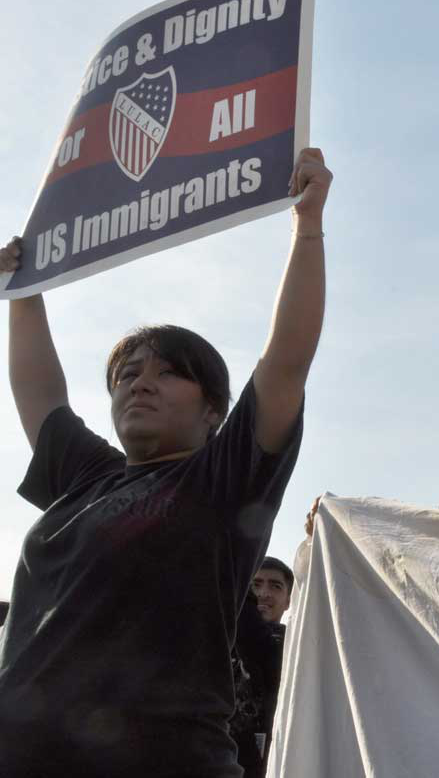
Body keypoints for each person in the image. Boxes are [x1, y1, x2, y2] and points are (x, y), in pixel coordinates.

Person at [0, 148, 331, 777]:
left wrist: (307, 226)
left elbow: (287, 358)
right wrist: (22, 291)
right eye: (127, 374)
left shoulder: (220, 478)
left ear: (214, 412)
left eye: (169, 374)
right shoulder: (85, 477)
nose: (140, 384)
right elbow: (40, 393)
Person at [231, 557, 294, 778]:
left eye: (275, 586)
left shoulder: (294, 646)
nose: (263, 593)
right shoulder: (214, 643)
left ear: (289, 601)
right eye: (255, 584)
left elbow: (256, 641)